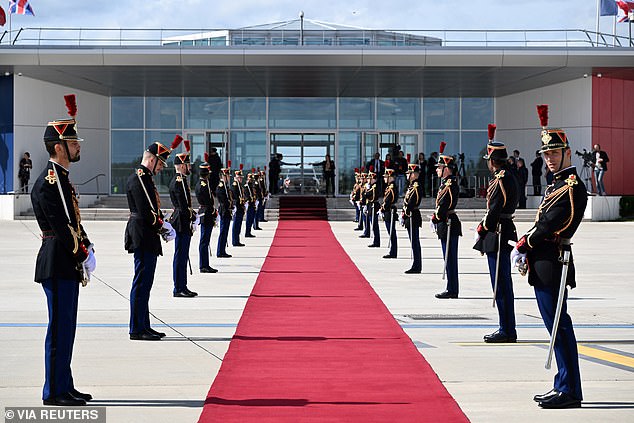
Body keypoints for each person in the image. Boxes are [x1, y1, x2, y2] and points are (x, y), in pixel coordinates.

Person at [512, 104, 587, 409]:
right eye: (546, 155)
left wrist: (523, 244)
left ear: (567, 152)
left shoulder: (571, 187)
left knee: (559, 326)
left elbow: (550, 223)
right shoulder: (555, 184)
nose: (550, 159)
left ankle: (569, 388)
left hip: (553, 261)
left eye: (554, 154)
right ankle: (563, 383)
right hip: (543, 261)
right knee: (554, 325)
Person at [31, 95, 97, 406]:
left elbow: (72, 220)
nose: (78, 146)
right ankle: (53, 391)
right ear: (59, 146)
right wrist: (81, 252)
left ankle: (64, 384)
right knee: (59, 330)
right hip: (57, 261)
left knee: (67, 329)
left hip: (65, 262)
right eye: (73, 142)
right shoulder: (48, 182)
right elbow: (60, 227)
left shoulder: (62, 179)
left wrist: (87, 243)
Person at [125, 140, 175, 341]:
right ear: (152, 159)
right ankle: (137, 328)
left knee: (146, 283)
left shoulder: (145, 178)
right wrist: (162, 226)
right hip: (143, 234)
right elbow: (147, 212)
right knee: (142, 282)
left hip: (146, 234)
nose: (162, 167)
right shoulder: (140, 178)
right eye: (160, 163)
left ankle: (143, 324)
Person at [474, 125, 519, 342]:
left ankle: (507, 329)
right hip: (502, 230)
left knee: (501, 284)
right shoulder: (506, 175)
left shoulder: (501, 178)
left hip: (499, 232)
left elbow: (495, 209)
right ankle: (506, 326)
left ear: (492, 160)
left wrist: (483, 228)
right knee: (501, 283)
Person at [168, 138, 198, 298]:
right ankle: (178, 287)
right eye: (187, 165)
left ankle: (182, 285)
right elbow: (183, 205)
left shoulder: (182, 180)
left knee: (183, 255)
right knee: (180, 256)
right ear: (180, 165)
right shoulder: (178, 181)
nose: (189, 168)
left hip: (183, 220)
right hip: (181, 221)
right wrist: (191, 217)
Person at [432, 142, 462, 298]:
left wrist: (436, 217)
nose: (437, 170)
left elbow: (444, 204)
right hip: (445, 222)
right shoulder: (445, 183)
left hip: (449, 222)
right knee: (447, 257)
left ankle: (452, 289)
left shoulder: (450, 184)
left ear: (446, 169)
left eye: (439, 167)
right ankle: (451, 287)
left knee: (450, 258)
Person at [195, 153, 218, 274]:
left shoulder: (204, 183)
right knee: (204, 241)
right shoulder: (203, 185)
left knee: (205, 240)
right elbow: (208, 201)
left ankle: (205, 264)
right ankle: (203, 265)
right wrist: (213, 211)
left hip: (207, 212)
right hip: (206, 213)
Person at [402, 163, 423, 273]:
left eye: (409, 174)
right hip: (409, 215)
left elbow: (412, 202)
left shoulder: (416, 186)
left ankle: (417, 265)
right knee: (413, 242)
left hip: (412, 216)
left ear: (414, 175)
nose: (407, 176)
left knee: (415, 242)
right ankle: (415, 264)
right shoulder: (411, 186)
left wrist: (406, 211)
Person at [216, 163, 234, 258]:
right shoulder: (221, 186)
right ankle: (220, 251)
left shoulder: (225, 186)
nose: (228, 178)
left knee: (225, 231)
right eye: (227, 176)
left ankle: (222, 250)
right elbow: (223, 200)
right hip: (224, 210)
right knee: (223, 231)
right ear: (223, 176)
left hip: (227, 210)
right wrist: (229, 205)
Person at [380, 167, 398, 258]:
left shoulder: (392, 186)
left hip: (389, 211)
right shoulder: (389, 186)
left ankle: (393, 251)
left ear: (390, 177)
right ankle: (392, 250)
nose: (384, 178)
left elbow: (389, 200)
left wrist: (383, 207)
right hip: (387, 210)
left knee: (392, 232)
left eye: (385, 177)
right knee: (390, 232)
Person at [364, 168, 381, 248]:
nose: (368, 180)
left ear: (373, 179)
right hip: (371, 206)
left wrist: (367, 191)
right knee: (373, 225)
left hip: (374, 206)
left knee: (374, 225)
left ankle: (376, 241)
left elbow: (371, 196)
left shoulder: (374, 187)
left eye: (369, 179)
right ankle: (375, 240)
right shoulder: (372, 186)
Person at [231, 165, 246, 247]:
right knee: (236, 224)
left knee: (239, 225)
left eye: (241, 178)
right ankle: (234, 240)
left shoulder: (239, 185)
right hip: (237, 207)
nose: (240, 179)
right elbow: (235, 197)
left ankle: (237, 240)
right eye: (239, 177)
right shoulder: (234, 185)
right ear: (236, 177)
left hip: (240, 207)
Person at [244, 170, 257, 238]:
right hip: (249, 204)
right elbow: (246, 195)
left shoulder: (252, 186)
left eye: (252, 179)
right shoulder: (246, 186)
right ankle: (247, 232)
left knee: (251, 218)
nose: (251, 180)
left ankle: (249, 231)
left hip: (252, 204)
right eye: (250, 179)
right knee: (249, 219)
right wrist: (248, 200)